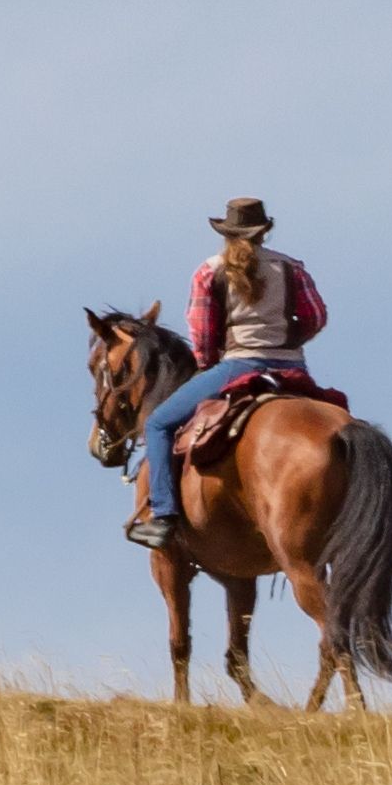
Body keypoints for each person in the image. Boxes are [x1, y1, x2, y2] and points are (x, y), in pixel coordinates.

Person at [125, 197, 324, 552]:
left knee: (157, 424)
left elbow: (202, 332)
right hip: (292, 368)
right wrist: (288, 341)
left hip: (238, 365)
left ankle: (163, 517)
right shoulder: (292, 268)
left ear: (226, 233)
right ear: (264, 231)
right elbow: (316, 317)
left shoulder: (208, 271)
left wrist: (207, 362)